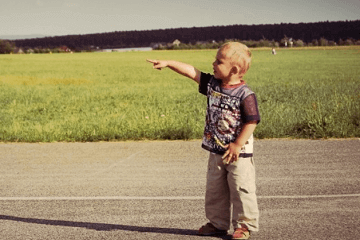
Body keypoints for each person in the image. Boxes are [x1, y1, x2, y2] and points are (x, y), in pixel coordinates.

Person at [147, 42, 260, 240]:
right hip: (216, 150)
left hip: (238, 153)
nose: (213, 63)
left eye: (219, 61)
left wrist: (238, 144)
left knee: (241, 188)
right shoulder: (212, 85)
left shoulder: (245, 94)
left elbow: (252, 121)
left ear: (233, 69)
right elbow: (192, 72)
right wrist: (168, 62)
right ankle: (217, 224)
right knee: (215, 190)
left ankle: (244, 225)